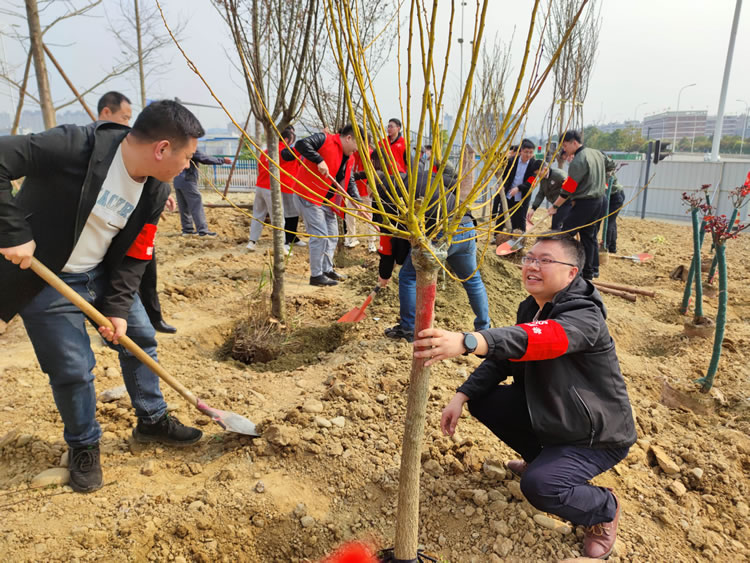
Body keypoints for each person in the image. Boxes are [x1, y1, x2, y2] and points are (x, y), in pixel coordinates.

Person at [0, 100, 205, 493]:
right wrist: (12, 234)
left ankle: (152, 420)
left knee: (140, 338)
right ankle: (83, 446)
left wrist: (116, 309)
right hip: (45, 277)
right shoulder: (74, 146)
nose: (187, 167)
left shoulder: (156, 190)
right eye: (187, 158)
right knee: (73, 369)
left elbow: (135, 255)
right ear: (162, 148)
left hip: (102, 275)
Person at [414, 233, 636, 560]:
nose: (532, 266)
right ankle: (542, 458)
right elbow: (505, 357)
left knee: (539, 486)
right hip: (556, 415)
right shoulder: (533, 306)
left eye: (544, 260)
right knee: (484, 398)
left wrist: (468, 341)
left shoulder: (584, 316)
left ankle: (603, 508)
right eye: (529, 258)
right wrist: (462, 395)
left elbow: (543, 339)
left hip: (596, 436)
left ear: (572, 272)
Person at [97, 91, 176, 334]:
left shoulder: (133, 149)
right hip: (106, 235)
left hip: (136, 225)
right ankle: (105, 321)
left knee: (144, 267)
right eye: (124, 116)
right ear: (106, 113)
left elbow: (149, 178)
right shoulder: (94, 150)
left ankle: (153, 317)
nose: (128, 124)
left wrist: (160, 198)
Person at [382, 169, 491, 342]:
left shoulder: (399, 197)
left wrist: (393, 263)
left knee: (408, 276)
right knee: (472, 279)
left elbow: (399, 236)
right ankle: (484, 328)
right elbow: (454, 183)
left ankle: (409, 328)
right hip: (466, 225)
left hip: (440, 233)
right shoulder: (425, 174)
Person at [293, 124, 361, 286]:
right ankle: (316, 275)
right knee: (320, 235)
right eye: (356, 146)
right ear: (349, 138)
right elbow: (301, 144)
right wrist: (319, 160)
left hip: (327, 200)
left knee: (332, 235)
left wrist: (356, 198)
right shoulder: (325, 140)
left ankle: (326, 269)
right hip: (309, 195)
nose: (356, 150)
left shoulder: (349, 157)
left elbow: (349, 179)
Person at [549, 131, 608, 280]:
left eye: (565, 145)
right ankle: (589, 272)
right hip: (599, 200)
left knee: (566, 234)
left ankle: (564, 266)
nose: (564, 149)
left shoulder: (579, 160)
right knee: (588, 235)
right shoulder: (596, 153)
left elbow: (569, 187)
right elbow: (611, 164)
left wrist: (555, 206)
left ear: (574, 142)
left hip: (585, 203)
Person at [247, 126, 304, 254]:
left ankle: (252, 241)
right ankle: (282, 244)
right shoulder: (283, 152)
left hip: (260, 186)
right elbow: (297, 153)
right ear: (286, 139)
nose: (291, 144)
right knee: (278, 217)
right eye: (291, 140)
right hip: (272, 188)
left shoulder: (266, 151)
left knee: (258, 214)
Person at [174, 144, 231, 237]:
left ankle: (187, 230)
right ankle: (203, 231)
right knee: (196, 204)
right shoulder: (190, 147)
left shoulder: (176, 146)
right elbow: (204, 158)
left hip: (177, 179)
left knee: (183, 206)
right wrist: (222, 160)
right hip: (188, 179)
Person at [499, 138, 543, 233]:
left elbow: (531, 181)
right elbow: (506, 176)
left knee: (520, 217)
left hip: (523, 194)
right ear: (521, 151)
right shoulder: (511, 161)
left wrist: (518, 188)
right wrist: (503, 185)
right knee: (502, 213)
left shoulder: (533, 164)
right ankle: (496, 235)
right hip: (509, 193)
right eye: (526, 152)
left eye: (531, 152)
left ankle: (520, 238)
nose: (528, 155)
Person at [526, 163, 570, 230]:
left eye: (539, 174)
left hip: (566, 202)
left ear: (545, 169)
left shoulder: (559, 175)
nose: (538, 176)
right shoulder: (542, 179)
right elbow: (541, 193)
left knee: (557, 225)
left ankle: (558, 239)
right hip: (556, 205)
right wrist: (533, 208)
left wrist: (556, 206)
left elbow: (569, 188)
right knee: (556, 225)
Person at [601, 153, 625, 254]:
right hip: (617, 195)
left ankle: (606, 246)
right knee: (612, 222)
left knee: (609, 222)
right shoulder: (604, 170)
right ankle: (612, 247)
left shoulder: (607, 173)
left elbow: (604, 186)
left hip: (615, 197)